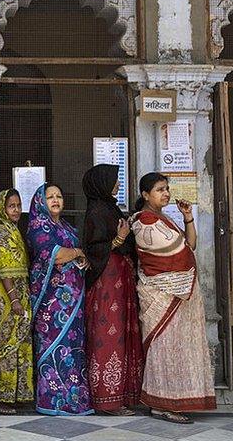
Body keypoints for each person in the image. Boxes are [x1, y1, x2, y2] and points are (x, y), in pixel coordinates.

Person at [130, 172, 215, 424]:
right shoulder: (144, 221)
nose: (165, 193)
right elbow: (175, 251)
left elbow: (190, 244)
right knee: (163, 348)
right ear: (146, 195)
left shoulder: (163, 218)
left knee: (177, 349)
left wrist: (188, 218)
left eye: (166, 188)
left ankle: (173, 400)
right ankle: (161, 403)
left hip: (177, 295)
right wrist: (184, 244)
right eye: (159, 189)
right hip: (161, 295)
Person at [27, 183, 93, 416]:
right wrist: (78, 253)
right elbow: (55, 255)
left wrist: (80, 260)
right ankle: (52, 401)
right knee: (53, 347)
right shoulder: (38, 227)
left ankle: (74, 400)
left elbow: (72, 254)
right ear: (40, 202)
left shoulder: (66, 227)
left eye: (59, 196)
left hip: (73, 302)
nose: (55, 200)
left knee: (73, 348)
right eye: (50, 197)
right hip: (51, 303)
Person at [82, 165, 143, 415]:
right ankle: (107, 398)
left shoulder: (110, 208)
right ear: (101, 184)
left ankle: (124, 394)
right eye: (114, 181)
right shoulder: (96, 211)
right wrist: (118, 240)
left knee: (122, 332)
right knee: (108, 334)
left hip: (120, 278)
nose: (118, 185)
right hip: (107, 280)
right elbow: (93, 247)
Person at [0, 189, 33, 414]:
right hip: (5, 296)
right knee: (5, 344)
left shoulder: (14, 229)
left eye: (18, 205)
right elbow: (5, 270)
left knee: (20, 343)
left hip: (19, 291)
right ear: (1, 208)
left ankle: (17, 395)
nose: (16, 210)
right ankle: (3, 397)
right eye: (11, 206)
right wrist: (14, 299)